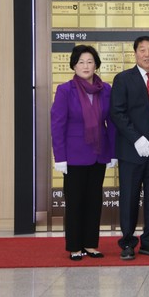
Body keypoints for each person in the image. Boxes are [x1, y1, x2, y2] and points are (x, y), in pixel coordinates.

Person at [110, 36, 149, 261]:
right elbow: (117, 112)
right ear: (135, 53)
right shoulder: (123, 79)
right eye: (142, 50)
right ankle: (128, 243)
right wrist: (136, 138)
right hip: (131, 151)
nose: (147, 54)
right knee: (129, 198)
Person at [50, 44, 117, 261]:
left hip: (99, 153)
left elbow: (112, 122)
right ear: (74, 65)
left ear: (96, 65)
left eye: (90, 62)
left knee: (94, 201)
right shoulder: (65, 90)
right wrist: (60, 157)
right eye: (81, 62)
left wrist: (113, 152)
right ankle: (75, 246)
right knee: (75, 201)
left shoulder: (105, 89)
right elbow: (57, 125)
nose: (86, 66)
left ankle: (90, 244)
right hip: (73, 156)